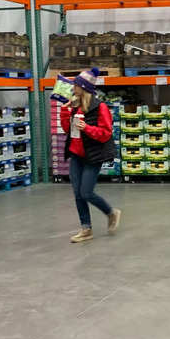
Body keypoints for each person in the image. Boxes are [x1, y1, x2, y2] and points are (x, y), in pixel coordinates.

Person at [60, 67, 121, 243]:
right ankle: (86, 229)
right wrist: (65, 112)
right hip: (76, 154)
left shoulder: (99, 107)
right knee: (77, 194)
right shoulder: (74, 105)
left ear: (84, 87)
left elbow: (106, 133)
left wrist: (86, 128)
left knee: (86, 192)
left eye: (77, 85)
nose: (73, 87)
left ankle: (111, 212)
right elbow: (67, 131)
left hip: (92, 155)